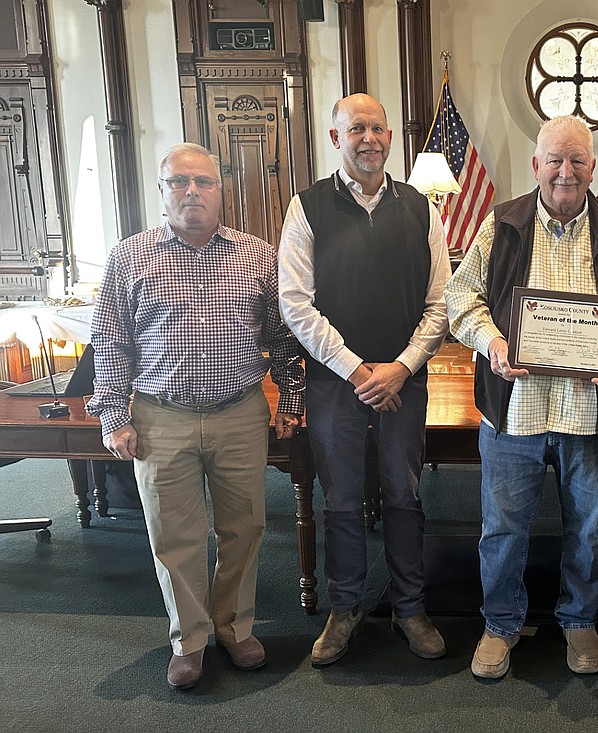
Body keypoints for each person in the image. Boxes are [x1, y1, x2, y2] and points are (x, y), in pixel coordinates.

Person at [86, 142, 304, 690]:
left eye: (202, 182)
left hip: (239, 415)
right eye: (179, 183)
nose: (191, 192)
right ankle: (189, 639)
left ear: (220, 188)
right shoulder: (129, 256)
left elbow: (284, 337)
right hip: (160, 419)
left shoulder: (257, 254)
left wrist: (292, 401)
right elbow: (110, 342)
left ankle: (235, 627)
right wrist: (114, 415)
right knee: (174, 536)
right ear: (162, 192)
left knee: (245, 528)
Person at [445, 115, 598, 680]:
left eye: (577, 160)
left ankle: (580, 619)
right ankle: (500, 624)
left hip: (587, 411)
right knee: (502, 527)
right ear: (536, 164)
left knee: (590, 528)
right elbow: (460, 298)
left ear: (593, 167)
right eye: (554, 160)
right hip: (514, 408)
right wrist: (491, 341)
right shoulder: (499, 223)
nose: (565, 171)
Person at [279, 93, 450, 666]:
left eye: (377, 127)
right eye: (356, 128)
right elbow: (296, 305)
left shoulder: (423, 210)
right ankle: (345, 607)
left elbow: (441, 304)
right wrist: (357, 370)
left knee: (406, 496)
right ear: (335, 138)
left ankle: (410, 607)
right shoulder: (306, 208)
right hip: (335, 384)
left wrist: (400, 367)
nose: (369, 138)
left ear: (390, 137)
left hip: (405, 380)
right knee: (343, 501)